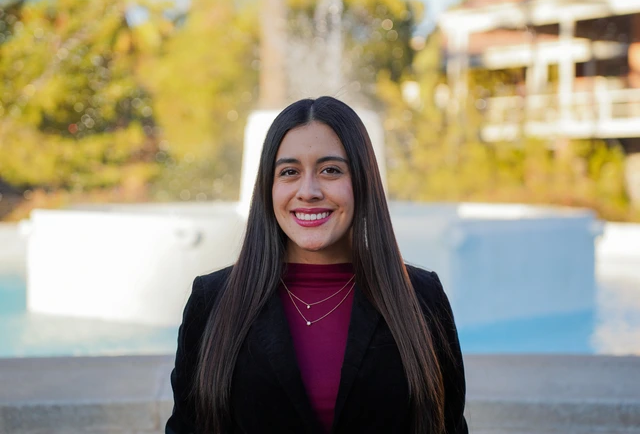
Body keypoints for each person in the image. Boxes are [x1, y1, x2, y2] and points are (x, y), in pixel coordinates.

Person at [166, 96, 468, 434]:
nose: (308, 191)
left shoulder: (422, 298)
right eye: (290, 172)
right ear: (269, 186)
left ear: (363, 182)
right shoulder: (212, 300)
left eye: (331, 170)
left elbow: (449, 426)